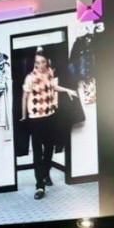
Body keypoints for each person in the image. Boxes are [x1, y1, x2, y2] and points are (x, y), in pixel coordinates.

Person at [20, 48, 78, 200]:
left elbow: (53, 87)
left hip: (50, 116)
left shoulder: (50, 73)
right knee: (37, 152)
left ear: (47, 62)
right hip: (35, 119)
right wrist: (24, 116)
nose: (40, 65)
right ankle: (40, 185)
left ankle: (45, 173)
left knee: (49, 149)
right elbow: (25, 97)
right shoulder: (30, 78)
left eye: (43, 62)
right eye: (37, 62)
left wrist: (67, 90)